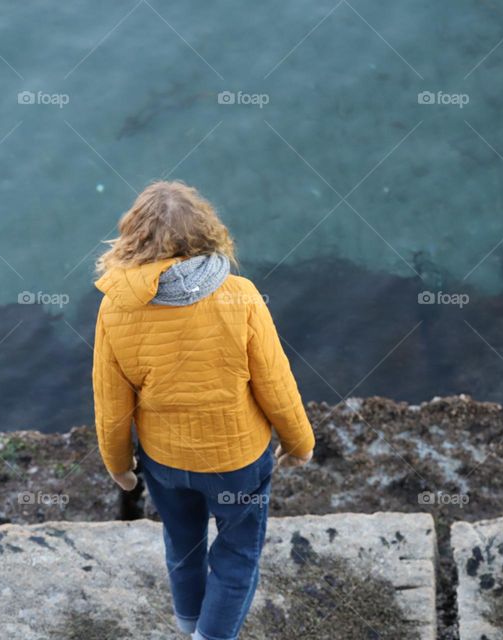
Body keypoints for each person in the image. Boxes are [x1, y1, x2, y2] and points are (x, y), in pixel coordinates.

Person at [92, 180, 315, 640]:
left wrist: (120, 467)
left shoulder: (116, 309)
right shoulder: (242, 296)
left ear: (132, 238)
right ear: (208, 234)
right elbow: (275, 383)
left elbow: (111, 406)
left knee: (184, 546)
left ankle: (189, 625)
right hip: (237, 462)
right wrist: (299, 443)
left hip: (166, 464)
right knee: (236, 554)